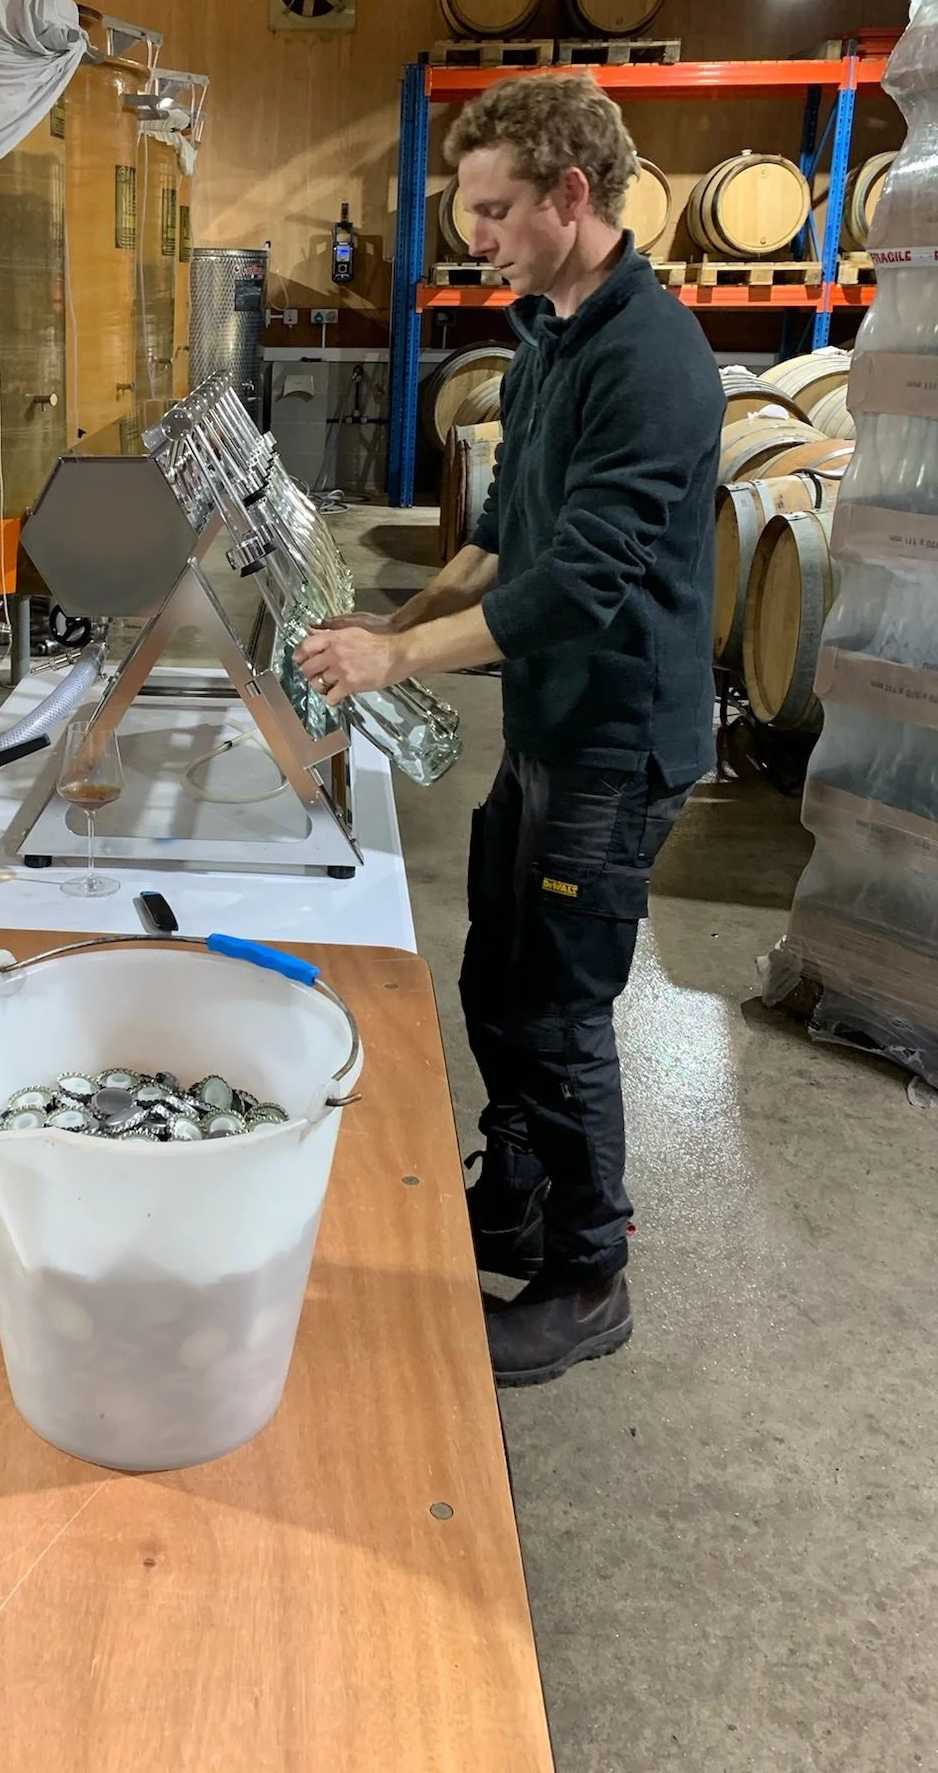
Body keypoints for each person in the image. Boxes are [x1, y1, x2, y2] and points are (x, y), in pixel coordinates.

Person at [295, 71, 722, 1388]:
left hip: (613, 740)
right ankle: (523, 1199)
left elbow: (582, 581)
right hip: (546, 726)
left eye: (492, 211)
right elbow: (501, 544)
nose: (473, 236)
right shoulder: (547, 336)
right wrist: (398, 620)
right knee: (496, 977)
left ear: (570, 195)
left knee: (559, 1006)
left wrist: (396, 656)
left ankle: (589, 1277)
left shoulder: (649, 360)